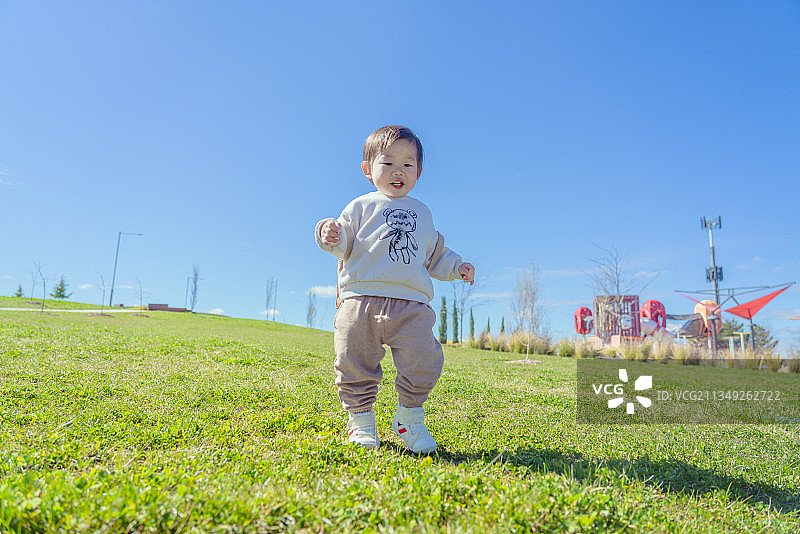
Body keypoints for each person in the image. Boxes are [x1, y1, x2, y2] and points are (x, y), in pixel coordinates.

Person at [315, 125, 475, 453]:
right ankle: (360, 420)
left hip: (412, 305)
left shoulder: (423, 213)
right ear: (368, 169)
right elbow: (342, 239)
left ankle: (409, 417)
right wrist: (329, 233)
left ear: (419, 171)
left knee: (425, 359)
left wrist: (456, 267)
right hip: (361, 299)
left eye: (407, 164)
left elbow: (434, 254)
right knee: (353, 359)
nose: (398, 171)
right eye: (387, 163)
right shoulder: (360, 205)